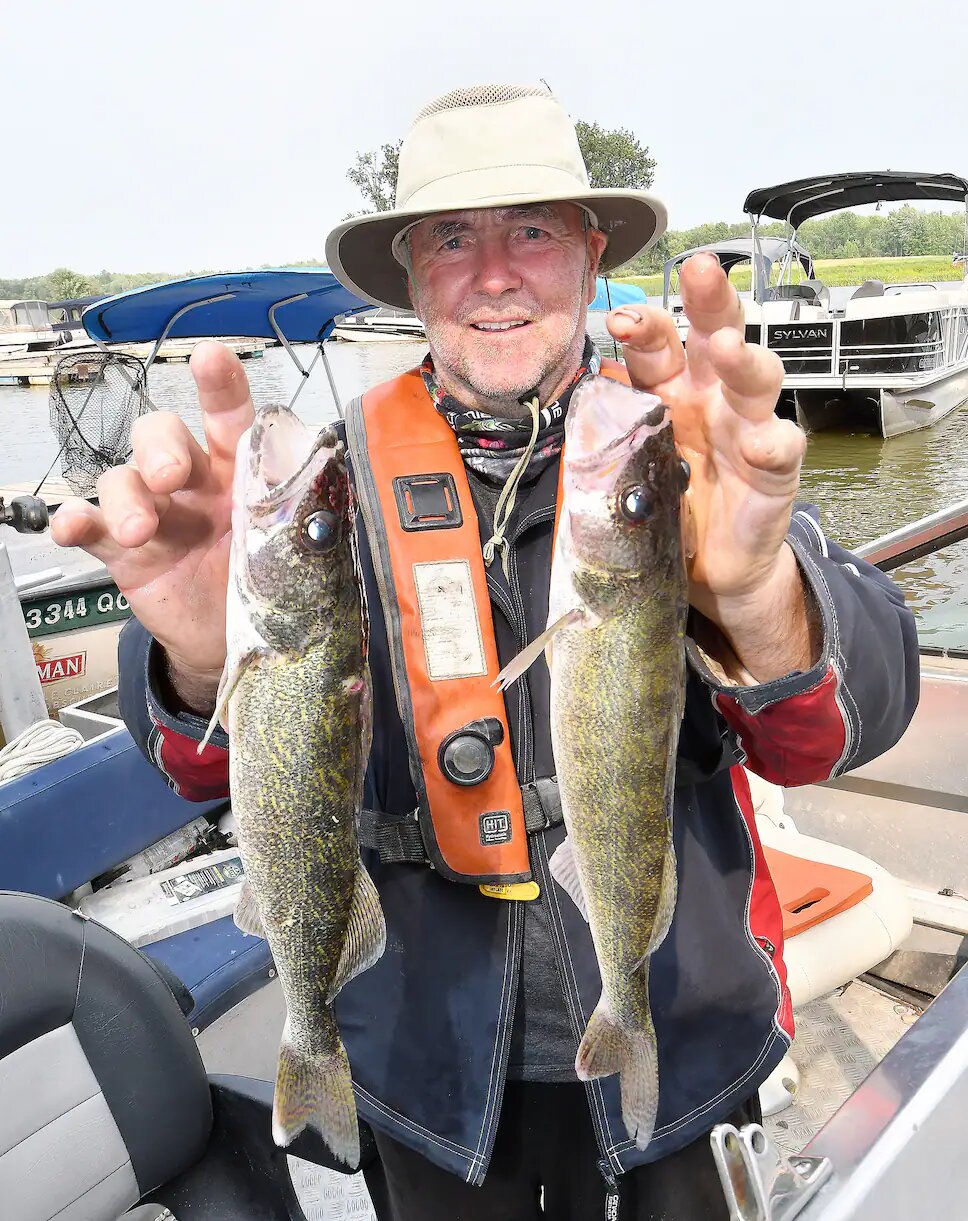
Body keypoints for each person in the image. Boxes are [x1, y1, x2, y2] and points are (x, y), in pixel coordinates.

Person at [52, 84, 919, 1220]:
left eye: (534, 231)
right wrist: (208, 670)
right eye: (452, 238)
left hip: (684, 1037)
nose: (494, 272)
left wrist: (758, 596)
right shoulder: (317, 481)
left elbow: (841, 728)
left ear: (589, 252)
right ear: (408, 274)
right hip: (425, 1067)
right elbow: (201, 770)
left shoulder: (673, 451)